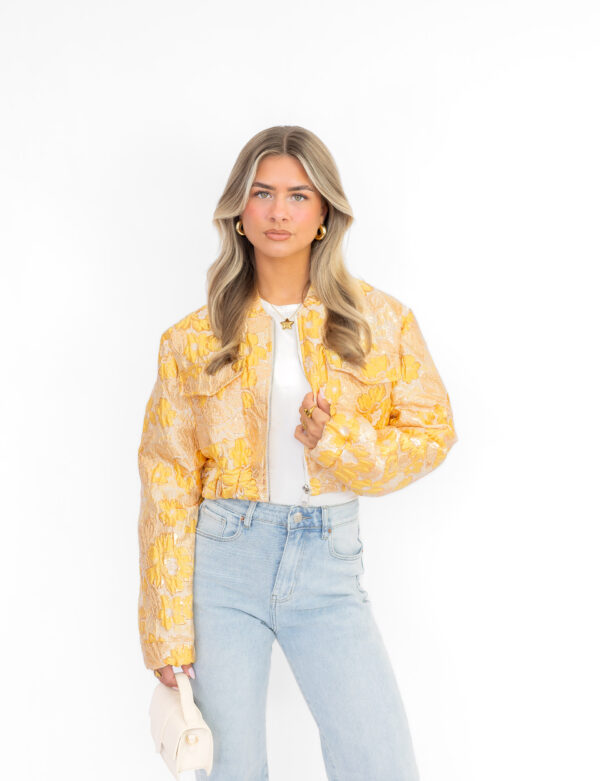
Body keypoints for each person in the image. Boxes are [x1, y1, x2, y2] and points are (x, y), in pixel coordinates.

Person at [137, 125, 458, 780]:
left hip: (328, 564)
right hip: (224, 565)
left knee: (380, 764)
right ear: (240, 211)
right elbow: (167, 482)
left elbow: (432, 434)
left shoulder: (380, 322)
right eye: (262, 193)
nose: (278, 211)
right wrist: (166, 627)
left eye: (298, 195)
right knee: (230, 768)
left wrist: (337, 443)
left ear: (324, 214)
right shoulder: (192, 340)